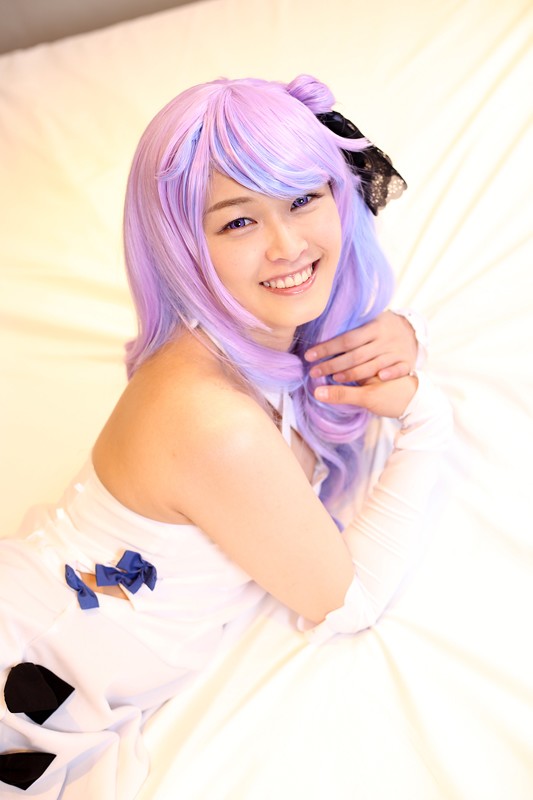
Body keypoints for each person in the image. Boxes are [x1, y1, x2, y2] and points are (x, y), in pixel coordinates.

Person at [0, 75, 452, 798]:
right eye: (238, 222)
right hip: (29, 666)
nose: (286, 246)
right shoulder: (213, 420)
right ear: (184, 246)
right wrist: (427, 419)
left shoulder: (263, 331)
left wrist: (402, 333)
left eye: (302, 199)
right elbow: (350, 599)